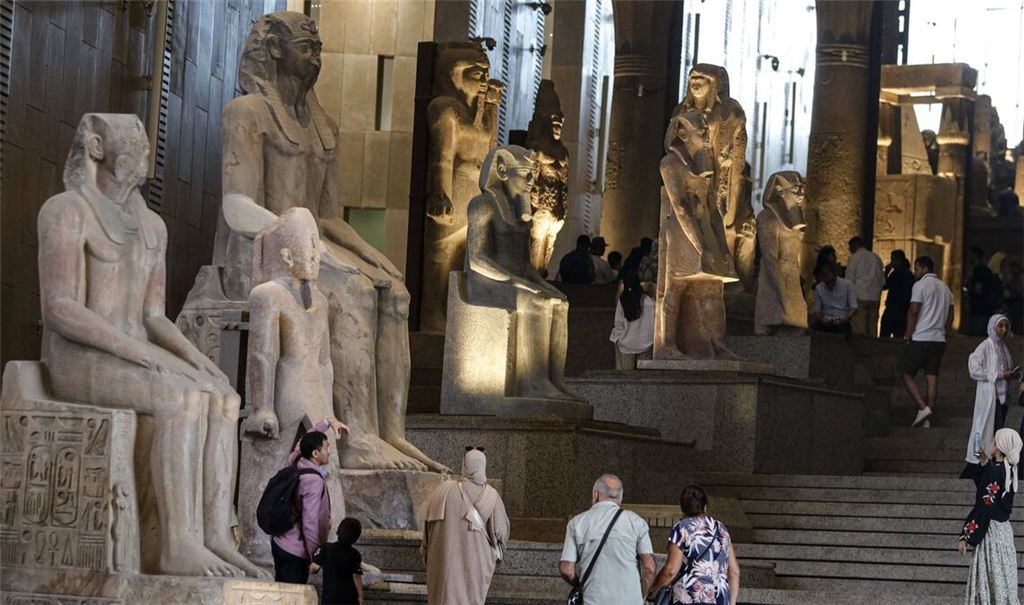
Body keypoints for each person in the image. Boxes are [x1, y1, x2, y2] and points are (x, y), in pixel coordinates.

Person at [423, 448, 509, 605]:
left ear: (464, 465)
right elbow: (502, 533)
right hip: (475, 567)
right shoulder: (492, 496)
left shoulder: (442, 491)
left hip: (443, 565)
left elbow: (427, 535)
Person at [559, 475, 656, 605]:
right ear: (620, 498)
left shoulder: (576, 523)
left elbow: (566, 569)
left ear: (595, 494)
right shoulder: (636, 522)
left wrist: (580, 583)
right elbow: (649, 567)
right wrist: (642, 596)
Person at [273, 420, 345, 584]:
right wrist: (316, 556)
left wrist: (327, 422)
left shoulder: (295, 462)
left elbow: (303, 442)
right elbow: (310, 522)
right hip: (296, 550)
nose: (329, 451)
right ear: (315, 454)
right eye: (326, 448)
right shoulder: (313, 481)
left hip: (280, 543)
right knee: (292, 599)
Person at [958, 428, 1021, 605]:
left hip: (991, 534)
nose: (991, 443)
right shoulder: (1008, 470)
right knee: (1002, 584)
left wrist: (966, 535)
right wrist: (985, 462)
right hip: (1003, 533)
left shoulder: (996, 472)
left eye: (994, 441)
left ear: (1000, 447)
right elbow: (991, 488)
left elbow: (984, 506)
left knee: (988, 585)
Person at [648, 485, 739, 605]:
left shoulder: (682, 528)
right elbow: (734, 572)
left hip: (689, 597)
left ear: (682, 507)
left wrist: (652, 589)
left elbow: (671, 570)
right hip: (719, 599)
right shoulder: (721, 529)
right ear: (705, 506)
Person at [903, 256, 955, 428]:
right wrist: (944, 332)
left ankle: (923, 407)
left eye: (917, 268)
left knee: (906, 374)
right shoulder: (946, 288)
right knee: (931, 377)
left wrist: (908, 334)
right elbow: (951, 315)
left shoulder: (920, 285)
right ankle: (927, 418)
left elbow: (914, 310)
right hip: (939, 340)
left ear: (925, 269)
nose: (915, 272)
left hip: (921, 338)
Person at [966, 316, 1019, 465]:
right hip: (989, 396)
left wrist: (1011, 374)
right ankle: (977, 460)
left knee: (996, 430)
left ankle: (992, 461)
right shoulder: (984, 347)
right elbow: (974, 370)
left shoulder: (1002, 347)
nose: (1003, 330)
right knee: (981, 428)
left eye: (1005, 327)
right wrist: (998, 374)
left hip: (1000, 398)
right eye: (1000, 326)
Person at [313, 518, 364, 605]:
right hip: (349, 598)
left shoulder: (326, 548)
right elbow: (356, 576)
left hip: (330, 597)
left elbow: (314, 568)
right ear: (356, 538)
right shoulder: (355, 554)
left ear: (338, 531)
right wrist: (360, 596)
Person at [610, 273, 655, 369]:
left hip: (625, 344)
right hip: (645, 343)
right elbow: (652, 324)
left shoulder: (622, 301)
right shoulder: (649, 301)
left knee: (625, 377)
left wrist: (617, 338)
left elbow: (618, 324)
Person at [845, 237, 885, 337]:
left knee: (859, 328)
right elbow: (882, 280)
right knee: (872, 328)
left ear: (853, 246)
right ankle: (873, 350)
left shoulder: (854, 258)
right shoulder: (876, 257)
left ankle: (861, 349)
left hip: (859, 296)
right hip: (874, 297)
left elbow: (849, 281)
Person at [811, 263, 857, 334]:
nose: (829, 284)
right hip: (825, 320)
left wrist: (844, 319)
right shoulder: (819, 288)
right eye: (827, 282)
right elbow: (817, 311)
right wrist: (823, 320)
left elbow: (853, 308)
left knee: (842, 330)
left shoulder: (848, 285)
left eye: (831, 281)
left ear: (835, 275)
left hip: (842, 320)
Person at [967, 246, 1001, 337]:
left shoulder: (980, 271)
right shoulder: (983, 270)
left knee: (977, 338)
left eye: (970, 255)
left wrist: (969, 288)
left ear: (975, 256)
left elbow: (978, 290)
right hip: (983, 310)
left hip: (980, 310)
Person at [880, 250, 915, 338]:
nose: (891, 262)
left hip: (893, 310)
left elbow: (885, 286)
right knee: (898, 337)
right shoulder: (909, 274)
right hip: (903, 311)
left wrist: (886, 272)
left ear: (898, 260)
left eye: (893, 259)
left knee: (884, 337)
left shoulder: (897, 273)